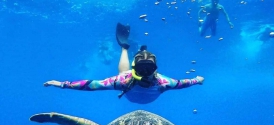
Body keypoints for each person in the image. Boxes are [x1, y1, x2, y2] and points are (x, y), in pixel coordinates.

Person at [44, 23, 204, 104]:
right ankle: (126, 49)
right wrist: (197, 80)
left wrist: (196, 80)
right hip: (134, 86)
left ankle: (127, 49)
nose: (146, 73)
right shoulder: (161, 82)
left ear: (156, 69)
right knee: (123, 75)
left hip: (129, 90)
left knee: (122, 75)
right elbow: (91, 84)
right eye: (143, 69)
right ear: (135, 69)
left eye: (149, 68)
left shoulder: (161, 82)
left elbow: (91, 85)